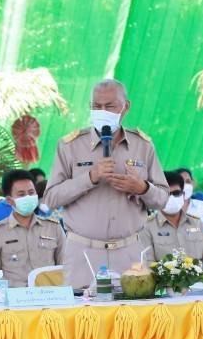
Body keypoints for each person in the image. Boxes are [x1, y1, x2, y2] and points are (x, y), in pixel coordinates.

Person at [43, 78, 168, 286]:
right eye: (96, 106)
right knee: (82, 307)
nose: (102, 111)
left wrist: (142, 188)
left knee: (132, 306)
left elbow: (162, 199)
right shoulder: (69, 145)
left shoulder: (143, 145)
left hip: (130, 252)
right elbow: (51, 198)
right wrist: (90, 177)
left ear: (126, 106)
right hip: (83, 253)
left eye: (109, 106)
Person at [0, 169, 65, 284]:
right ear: (9, 200)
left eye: (31, 193)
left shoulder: (53, 227)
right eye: (21, 194)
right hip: (14, 294)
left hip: (50, 293)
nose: (28, 197)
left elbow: (65, 266)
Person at [145, 172, 203, 268]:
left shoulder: (198, 224)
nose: (171, 198)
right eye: (166, 194)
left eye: (176, 193)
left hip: (199, 277)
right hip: (163, 277)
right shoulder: (147, 228)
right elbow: (147, 262)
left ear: (183, 195)